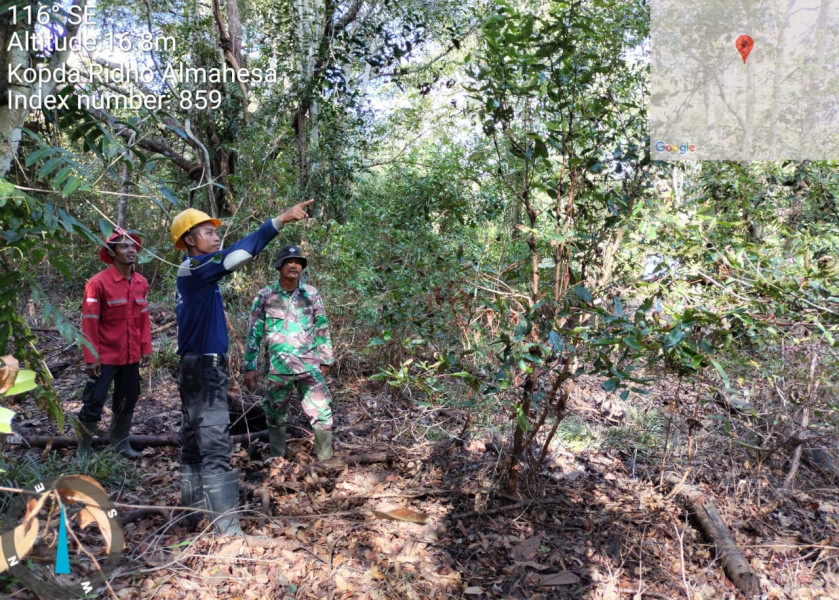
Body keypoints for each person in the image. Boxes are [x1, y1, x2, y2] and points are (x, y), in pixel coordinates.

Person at [171, 201, 312, 535]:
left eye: (215, 232)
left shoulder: (195, 274)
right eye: (208, 232)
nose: (215, 237)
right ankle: (228, 530)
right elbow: (239, 254)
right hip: (203, 370)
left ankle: (191, 514)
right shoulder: (196, 269)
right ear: (190, 240)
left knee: (192, 441)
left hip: (194, 366)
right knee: (215, 442)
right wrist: (278, 220)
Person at [243, 245, 334, 462]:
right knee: (274, 414)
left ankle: (325, 461)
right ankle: (277, 459)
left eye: (298, 262)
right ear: (279, 266)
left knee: (322, 413)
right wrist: (249, 366)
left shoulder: (311, 293)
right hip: (277, 368)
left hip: (309, 366)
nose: (294, 265)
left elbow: (321, 326)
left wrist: (326, 358)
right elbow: (254, 332)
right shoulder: (265, 295)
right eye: (289, 261)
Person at [78, 230, 152, 459]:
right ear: (112, 252)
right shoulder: (97, 283)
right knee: (94, 401)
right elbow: (89, 323)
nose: (131, 250)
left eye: (133, 246)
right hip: (106, 356)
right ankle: (84, 449)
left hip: (130, 356)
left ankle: (120, 443)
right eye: (124, 247)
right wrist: (91, 357)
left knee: (128, 398)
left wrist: (145, 348)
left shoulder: (140, 282)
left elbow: (143, 319)